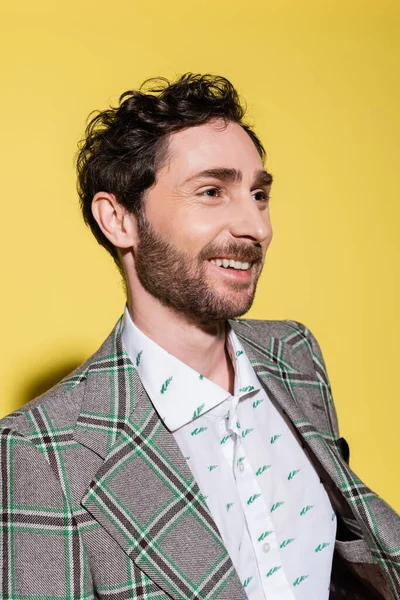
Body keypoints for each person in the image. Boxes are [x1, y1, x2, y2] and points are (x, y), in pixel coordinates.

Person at [0, 74, 398, 600]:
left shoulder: (293, 356)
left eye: (259, 193)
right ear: (118, 220)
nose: (255, 225)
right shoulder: (41, 453)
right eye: (211, 191)